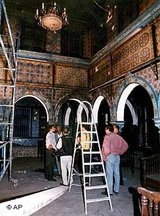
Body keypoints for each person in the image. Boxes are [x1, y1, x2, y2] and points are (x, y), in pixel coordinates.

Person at [101, 123, 128, 195]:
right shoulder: (118, 137)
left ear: (108, 129)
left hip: (110, 156)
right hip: (117, 156)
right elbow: (126, 145)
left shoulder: (107, 137)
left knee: (109, 174)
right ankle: (116, 190)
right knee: (117, 173)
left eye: (105, 129)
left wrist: (106, 154)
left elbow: (105, 148)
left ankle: (110, 191)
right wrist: (120, 152)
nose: (105, 131)